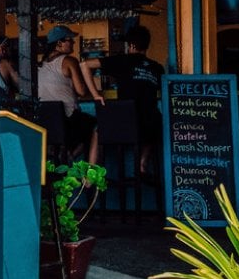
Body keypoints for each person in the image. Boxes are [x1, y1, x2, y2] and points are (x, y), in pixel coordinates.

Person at [81, 25, 164, 176]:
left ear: (131, 45)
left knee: (97, 130)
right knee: (156, 119)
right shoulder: (158, 68)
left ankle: (90, 174)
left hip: (124, 127)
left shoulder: (122, 60)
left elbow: (84, 64)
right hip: (149, 128)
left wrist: (95, 95)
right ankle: (143, 162)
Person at [38, 25, 98, 163]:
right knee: (99, 127)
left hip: (46, 125)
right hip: (68, 123)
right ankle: (87, 174)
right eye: (70, 40)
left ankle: (66, 156)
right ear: (59, 43)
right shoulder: (69, 61)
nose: (73, 42)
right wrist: (89, 77)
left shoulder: (39, 65)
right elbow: (81, 91)